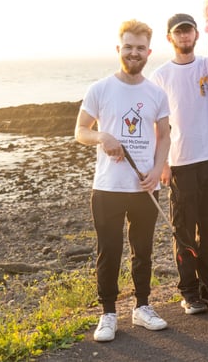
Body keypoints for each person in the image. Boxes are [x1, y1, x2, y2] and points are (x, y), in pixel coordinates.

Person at [75, 19, 171, 342]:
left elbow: (165, 137)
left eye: (140, 48)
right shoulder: (99, 89)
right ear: (119, 49)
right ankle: (108, 313)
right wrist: (102, 135)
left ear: (149, 52)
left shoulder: (156, 93)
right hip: (107, 187)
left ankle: (142, 307)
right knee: (110, 249)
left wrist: (158, 170)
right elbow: (80, 132)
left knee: (143, 249)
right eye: (128, 47)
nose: (134, 53)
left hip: (145, 185)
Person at [149, 13, 208, 315]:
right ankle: (189, 292)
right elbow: (158, 127)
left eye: (188, 31)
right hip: (181, 162)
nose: (184, 37)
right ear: (170, 37)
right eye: (178, 33)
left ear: (197, 35)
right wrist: (162, 164)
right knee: (184, 230)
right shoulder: (160, 76)